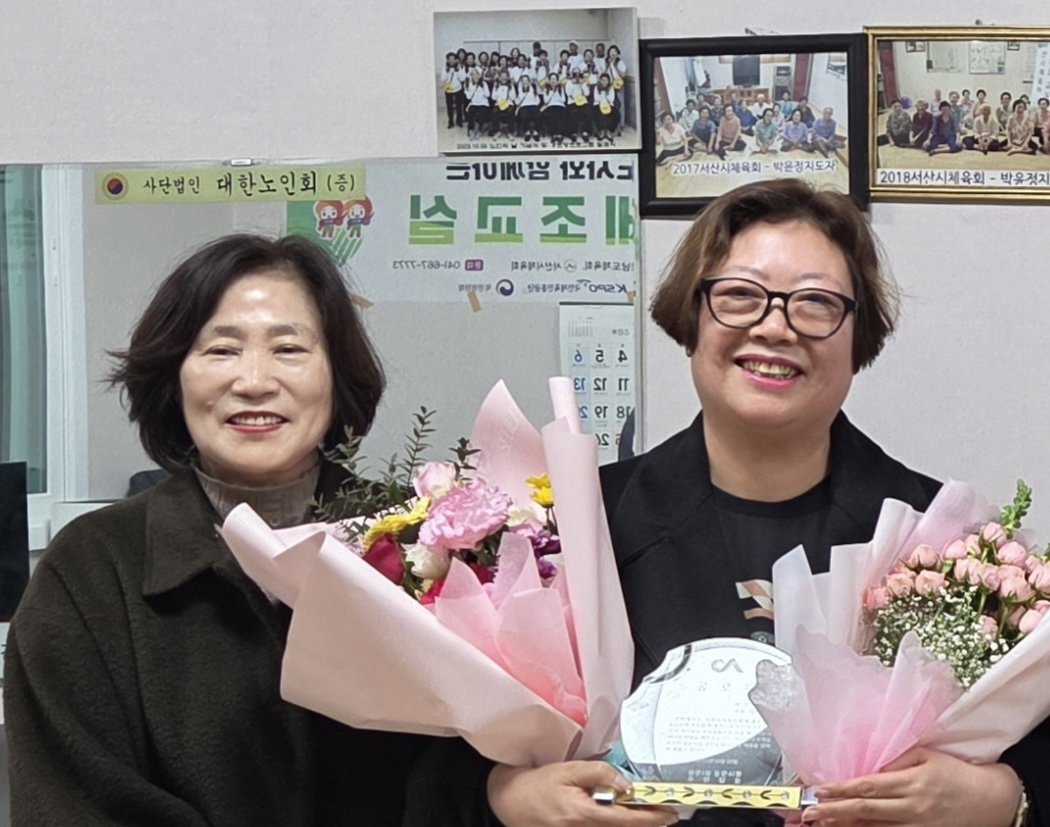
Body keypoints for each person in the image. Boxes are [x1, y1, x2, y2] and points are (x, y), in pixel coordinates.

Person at [474, 178, 1049, 827]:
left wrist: (1004, 799)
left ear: (859, 337)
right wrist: (506, 796)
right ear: (691, 319)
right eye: (740, 296)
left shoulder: (946, 541)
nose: (775, 326)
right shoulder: (577, 529)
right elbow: (446, 754)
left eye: (816, 303)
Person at [3, 234, 437, 825]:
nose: (254, 381)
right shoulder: (92, 568)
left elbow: (467, 773)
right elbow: (71, 802)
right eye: (221, 350)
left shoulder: (424, 545)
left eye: (288, 349)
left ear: (337, 375)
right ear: (174, 377)